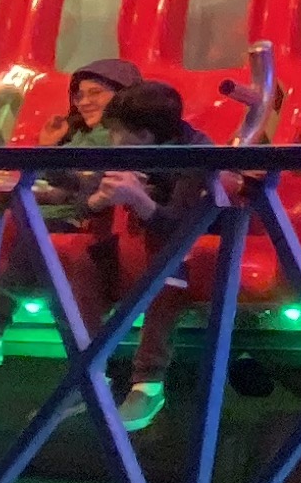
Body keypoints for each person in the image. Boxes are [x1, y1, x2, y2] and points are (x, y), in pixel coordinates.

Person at [37, 57, 214, 428]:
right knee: (81, 259)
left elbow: (181, 226)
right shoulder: (123, 151)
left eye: (117, 134)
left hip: (185, 251)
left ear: (146, 137)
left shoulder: (196, 153)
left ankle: (148, 382)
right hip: (131, 244)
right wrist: (98, 200)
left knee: (165, 262)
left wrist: (141, 201)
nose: (112, 141)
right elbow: (83, 199)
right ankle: (87, 374)